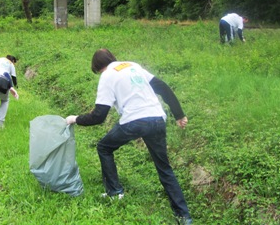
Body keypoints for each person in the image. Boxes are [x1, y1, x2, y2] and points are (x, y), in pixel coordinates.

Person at [66, 49, 192, 225]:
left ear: (98, 67)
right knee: (164, 168)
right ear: (112, 59)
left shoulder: (107, 75)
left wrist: (75, 119)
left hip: (134, 120)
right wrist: (179, 114)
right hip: (157, 117)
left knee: (104, 147)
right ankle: (184, 217)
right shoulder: (133, 66)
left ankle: (115, 193)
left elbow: (99, 116)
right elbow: (163, 87)